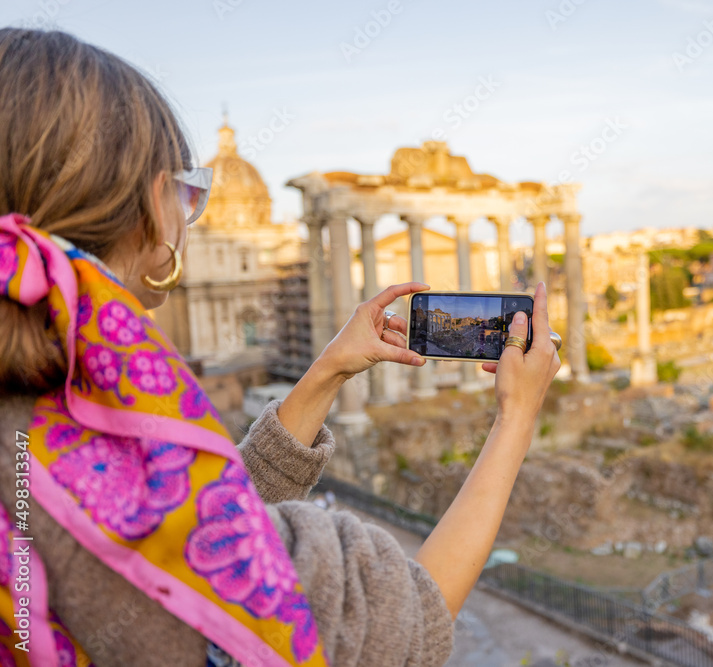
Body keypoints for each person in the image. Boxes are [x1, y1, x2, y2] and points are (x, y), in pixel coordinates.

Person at [0, 29, 561, 666]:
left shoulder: (40, 435)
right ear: (153, 209)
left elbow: (218, 532)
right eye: (188, 192)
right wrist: (517, 415)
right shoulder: (112, 459)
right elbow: (407, 621)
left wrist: (326, 372)